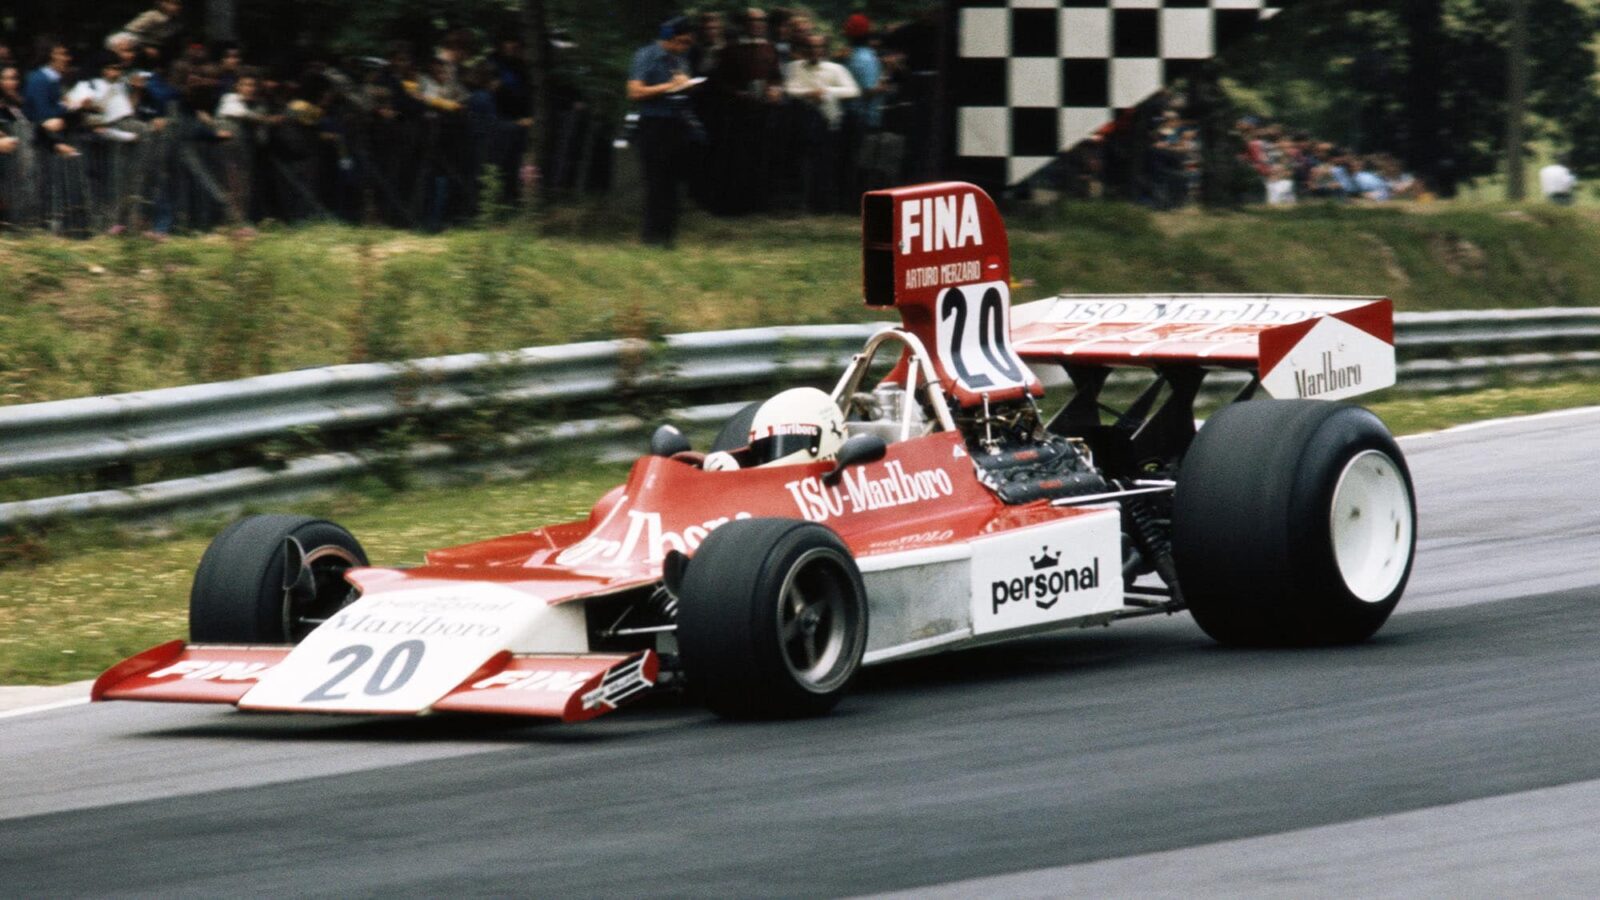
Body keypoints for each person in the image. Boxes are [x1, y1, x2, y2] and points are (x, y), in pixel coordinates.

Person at [626, 15, 698, 247]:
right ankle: (650, 238)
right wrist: (669, 87)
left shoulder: (680, 59)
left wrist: (686, 86)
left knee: (673, 183)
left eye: (688, 43)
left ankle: (668, 238)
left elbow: (680, 88)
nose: (685, 47)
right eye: (682, 41)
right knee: (656, 182)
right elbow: (635, 92)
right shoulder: (646, 56)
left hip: (677, 124)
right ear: (669, 37)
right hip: (654, 124)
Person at [783, 33, 858, 212]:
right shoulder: (795, 67)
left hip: (829, 120)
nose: (814, 51)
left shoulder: (836, 69)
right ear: (804, 50)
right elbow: (789, 88)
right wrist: (809, 93)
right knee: (804, 161)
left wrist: (826, 91)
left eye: (818, 47)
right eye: (810, 47)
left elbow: (853, 90)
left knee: (826, 162)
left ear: (824, 50)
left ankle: (824, 203)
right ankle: (804, 201)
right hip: (803, 119)